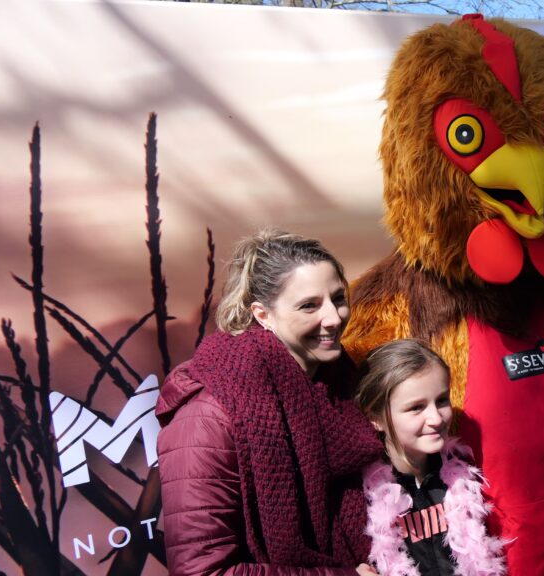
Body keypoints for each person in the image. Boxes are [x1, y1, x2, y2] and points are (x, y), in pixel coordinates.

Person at [156, 228, 382, 575]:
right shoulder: (207, 417)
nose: (335, 318)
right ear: (262, 315)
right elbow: (202, 571)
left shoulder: (341, 384)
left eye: (338, 298)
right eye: (310, 306)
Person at [356, 339, 507, 576]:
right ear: (376, 417)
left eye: (442, 400)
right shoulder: (361, 495)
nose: (436, 418)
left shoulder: (461, 477)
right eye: (416, 407)